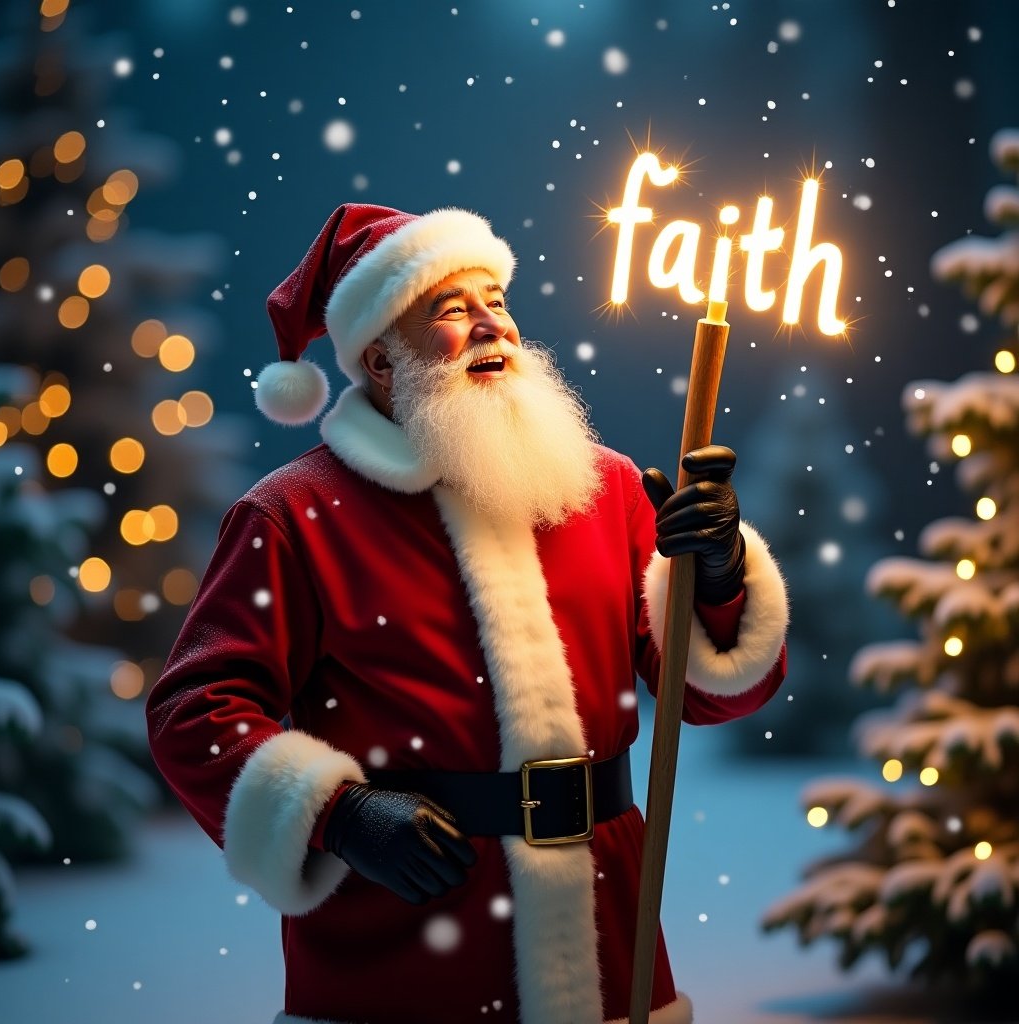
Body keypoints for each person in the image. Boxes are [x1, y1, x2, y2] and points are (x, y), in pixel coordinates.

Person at [146, 203, 789, 1024]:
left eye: (497, 299)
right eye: (451, 310)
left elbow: (711, 695)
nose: (493, 324)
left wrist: (724, 577)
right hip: (409, 932)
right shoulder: (295, 516)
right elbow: (192, 712)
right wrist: (340, 816)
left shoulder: (606, 489)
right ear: (379, 358)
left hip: (606, 931)